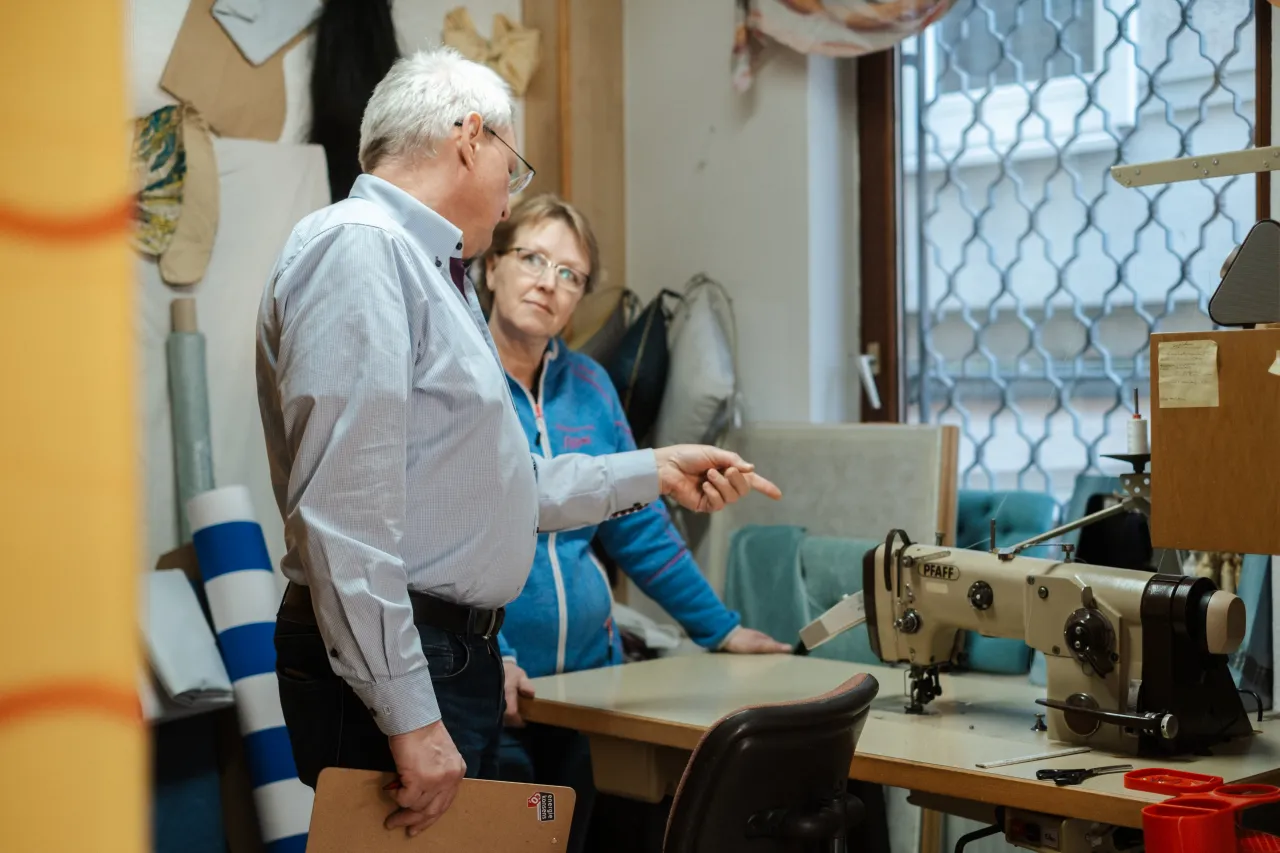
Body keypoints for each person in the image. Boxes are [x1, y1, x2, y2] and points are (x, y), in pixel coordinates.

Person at [255, 45, 782, 840]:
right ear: (471, 137)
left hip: (446, 652)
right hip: (413, 656)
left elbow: (502, 486)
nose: (509, 199)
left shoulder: (429, 270)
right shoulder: (362, 248)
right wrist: (409, 716)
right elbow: (345, 516)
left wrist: (655, 468)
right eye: (513, 166)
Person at [476, 194, 791, 852]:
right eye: (532, 258)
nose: (548, 282)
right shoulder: (458, 380)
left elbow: (638, 528)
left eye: (570, 274)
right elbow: (443, 542)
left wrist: (721, 628)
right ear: (491, 266)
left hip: (590, 689)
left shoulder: (591, 387)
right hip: (495, 691)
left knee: (572, 839)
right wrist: (489, 656)